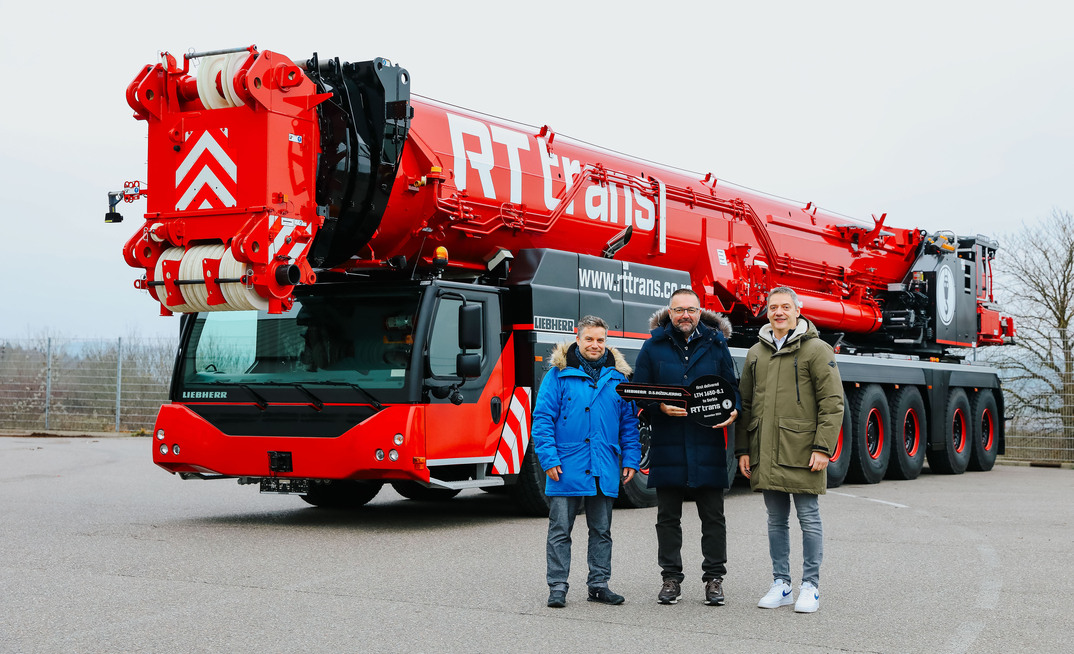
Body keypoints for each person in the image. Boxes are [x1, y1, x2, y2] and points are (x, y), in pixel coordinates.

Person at [735, 286, 843, 614]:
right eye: (773, 307)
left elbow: (832, 402)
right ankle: (781, 584)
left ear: (798, 310)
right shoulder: (756, 352)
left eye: (785, 307)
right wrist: (743, 449)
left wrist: (823, 447)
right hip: (765, 449)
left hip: (802, 449)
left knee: (808, 518)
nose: (779, 312)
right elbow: (747, 403)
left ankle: (810, 585)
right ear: (767, 312)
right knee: (775, 520)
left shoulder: (817, 350)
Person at [632, 288, 738, 606]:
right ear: (669, 312)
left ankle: (714, 579)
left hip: (706, 443)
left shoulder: (716, 344)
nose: (685, 316)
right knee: (667, 517)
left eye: (690, 310)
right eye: (678, 310)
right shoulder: (653, 346)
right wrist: (659, 406)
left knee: (713, 517)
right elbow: (639, 390)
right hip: (669, 445)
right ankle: (670, 579)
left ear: (699, 311)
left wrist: (734, 409)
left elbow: (731, 386)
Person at [532, 315, 642, 608]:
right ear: (577, 338)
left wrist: (631, 458)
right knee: (560, 530)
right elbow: (542, 420)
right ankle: (557, 586)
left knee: (602, 530)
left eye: (601, 340)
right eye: (590, 339)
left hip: (604, 462)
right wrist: (548, 458)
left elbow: (629, 424)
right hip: (565, 464)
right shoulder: (557, 375)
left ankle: (599, 584)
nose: (595, 345)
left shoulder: (619, 379)